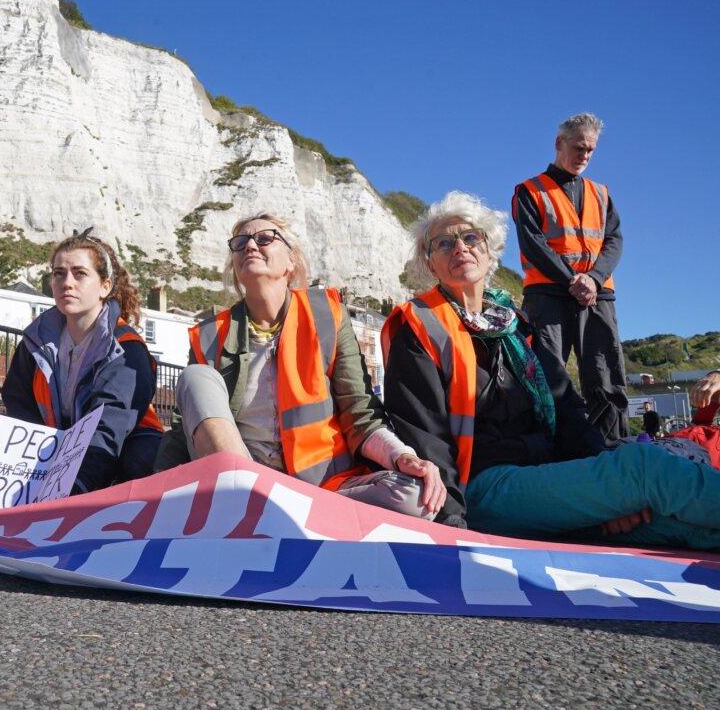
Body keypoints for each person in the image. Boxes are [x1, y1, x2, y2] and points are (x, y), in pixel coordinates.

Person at [382, 191, 720, 549]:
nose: (460, 248)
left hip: (549, 479)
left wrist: (609, 496)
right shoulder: (419, 327)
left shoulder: (518, 327)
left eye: (470, 237)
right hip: (482, 487)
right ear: (430, 263)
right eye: (444, 243)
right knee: (644, 469)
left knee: (667, 523)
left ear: (490, 250)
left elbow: (568, 408)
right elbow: (424, 435)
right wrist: (453, 527)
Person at [154, 213, 457, 525]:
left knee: (418, 496)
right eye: (240, 243)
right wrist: (154, 497)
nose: (250, 247)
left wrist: (402, 456)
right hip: (240, 481)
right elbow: (184, 431)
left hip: (322, 488)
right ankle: (259, 505)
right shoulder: (208, 335)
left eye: (264, 238)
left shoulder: (327, 315)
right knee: (196, 377)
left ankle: (277, 517)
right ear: (235, 269)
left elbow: (360, 411)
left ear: (290, 261)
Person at [0, 229, 163, 493]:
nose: (67, 282)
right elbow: (20, 409)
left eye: (80, 273)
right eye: (58, 273)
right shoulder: (35, 342)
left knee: (139, 459)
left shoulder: (126, 348)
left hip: (122, 445)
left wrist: (72, 490)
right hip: (58, 443)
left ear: (105, 286)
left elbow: (108, 428)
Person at [513, 113, 629, 442]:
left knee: (606, 375)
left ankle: (611, 448)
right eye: (579, 148)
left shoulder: (601, 193)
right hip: (547, 294)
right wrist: (572, 279)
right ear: (558, 144)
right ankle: (551, 448)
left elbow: (614, 241)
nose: (585, 156)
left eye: (591, 150)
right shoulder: (529, 190)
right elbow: (533, 243)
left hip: (597, 294)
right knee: (546, 374)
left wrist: (592, 278)